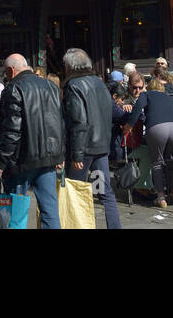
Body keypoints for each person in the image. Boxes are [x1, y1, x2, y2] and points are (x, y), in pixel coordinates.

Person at [0, 53, 64, 229]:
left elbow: (11, 131)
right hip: (47, 158)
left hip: (21, 160)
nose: (6, 77)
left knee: (15, 213)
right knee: (50, 211)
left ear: (11, 70)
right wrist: (60, 154)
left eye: (6, 73)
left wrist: (0, 163)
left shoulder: (13, 89)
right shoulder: (50, 86)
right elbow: (59, 123)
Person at [61, 48, 120, 229]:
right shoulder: (99, 82)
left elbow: (79, 122)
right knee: (104, 192)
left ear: (70, 66)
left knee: (75, 191)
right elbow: (111, 111)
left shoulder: (73, 85)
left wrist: (76, 155)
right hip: (100, 147)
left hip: (84, 149)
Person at [118, 76, 173, 207]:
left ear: (148, 88)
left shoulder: (146, 94)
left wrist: (128, 126)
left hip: (157, 128)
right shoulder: (169, 97)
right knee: (169, 160)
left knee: (157, 162)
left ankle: (161, 197)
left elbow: (137, 109)